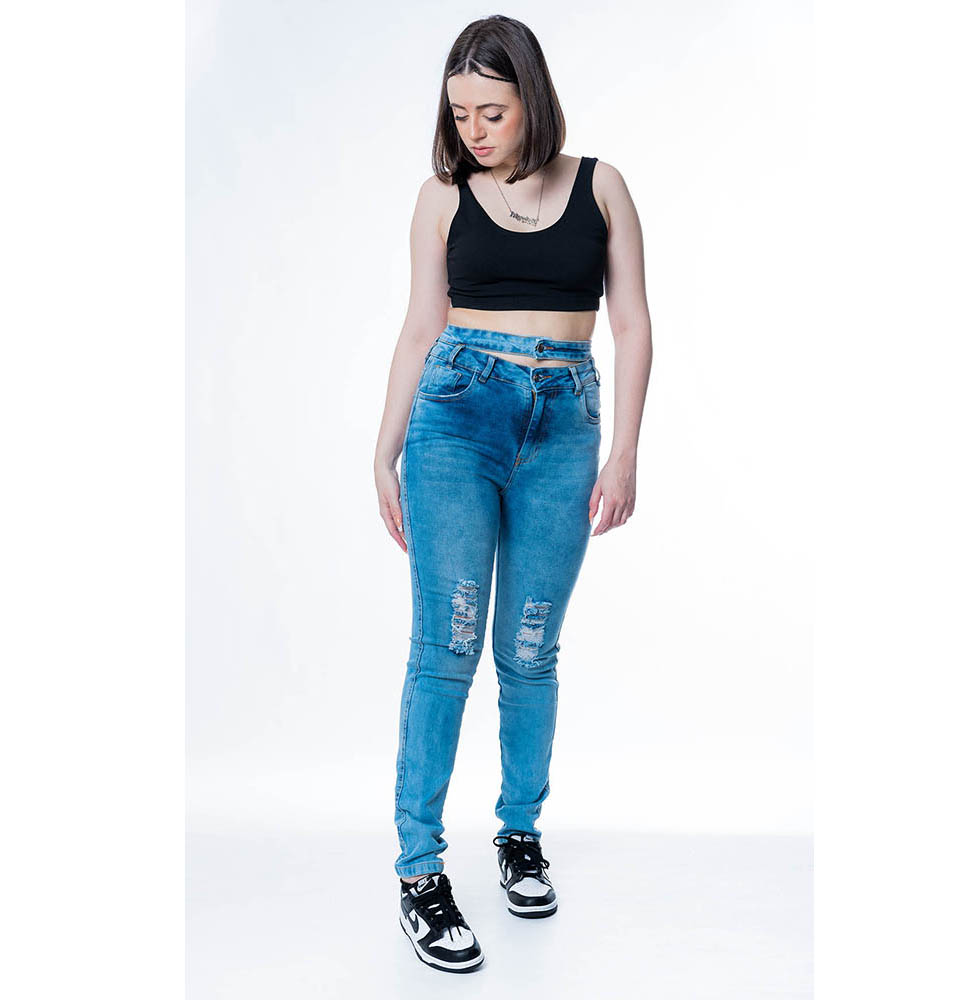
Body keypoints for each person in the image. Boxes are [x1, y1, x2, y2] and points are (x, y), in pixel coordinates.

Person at [373, 15, 652, 973]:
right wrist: (384, 450)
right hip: (456, 417)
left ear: (532, 97)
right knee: (446, 648)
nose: (475, 131)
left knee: (530, 651)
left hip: (566, 425)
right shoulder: (441, 197)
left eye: (491, 111)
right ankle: (419, 871)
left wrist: (625, 452)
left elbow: (633, 324)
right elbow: (420, 327)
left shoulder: (602, 186)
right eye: (460, 114)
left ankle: (519, 834)